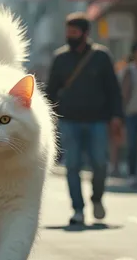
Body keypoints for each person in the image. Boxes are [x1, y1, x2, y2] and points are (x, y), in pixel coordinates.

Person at [46, 12, 123, 226]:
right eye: (68, 32)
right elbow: (51, 91)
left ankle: (97, 198)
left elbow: (113, 90)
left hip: (98, 120)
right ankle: (78, 210)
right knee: (72, 166)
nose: (70, 35)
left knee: (99, 164)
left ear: (86, 33)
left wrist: (116, 116)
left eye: (74, 32)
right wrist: (46, 116)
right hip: (69, 121)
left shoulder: (101, 56)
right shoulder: (60, 58)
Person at [121, 41, 137, 187]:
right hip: (132, 113)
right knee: (132, 145)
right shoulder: (129, 71)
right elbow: (123, 92)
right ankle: (132, 174)